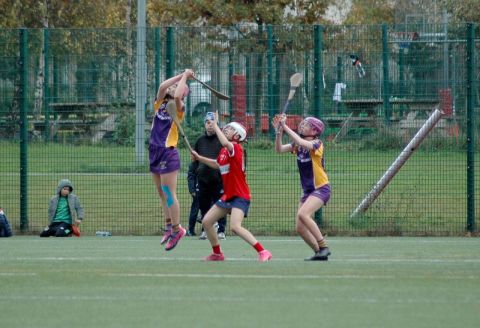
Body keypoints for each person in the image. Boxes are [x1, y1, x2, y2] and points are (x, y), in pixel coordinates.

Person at [191, 113, 272, 262]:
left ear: (237, 135)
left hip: (240, 195)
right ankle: (217, 253)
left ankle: (263, 251)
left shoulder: (235, 147)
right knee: (207, 222)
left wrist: (215, 125)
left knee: (235, 227)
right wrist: (199, 157)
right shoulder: (224, 151)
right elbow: (217, 164)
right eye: (225, 128)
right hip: (228, 195)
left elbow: (226, 144)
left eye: (229, 129)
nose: (225, 130)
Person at [273, 114, 331, 261]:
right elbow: (279, 149)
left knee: (303, 214)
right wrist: (279, 132)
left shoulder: (317, 143)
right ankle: (319, 252)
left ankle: (324, 247)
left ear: (314, 131)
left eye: (306, 125)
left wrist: (285, 126)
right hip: (307, 192)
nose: (302, 126)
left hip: (321, 188)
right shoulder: (298, 145)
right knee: (300, 227)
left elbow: (300, 141)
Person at [150, 69, 194, 251]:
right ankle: (168, 226)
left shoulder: (179, 107)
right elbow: (162, 86)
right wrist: (182, 74)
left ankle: (177, 229)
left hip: (168, 152)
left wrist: (185, 77)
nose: (173, 87)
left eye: (178, 87)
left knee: (169, 192)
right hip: (154, 150)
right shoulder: (160, 102)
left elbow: (177, 97)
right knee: (161, 192)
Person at [192, 112, 227, 240]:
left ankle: (221, 230)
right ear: (204, 124)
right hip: (202, 180)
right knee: (204, 205)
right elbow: (195, 162)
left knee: (221, 205)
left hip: (218, 179)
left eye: (213, 123)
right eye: (208, 123)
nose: (210, 126)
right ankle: (205, 230)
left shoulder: (221, 140)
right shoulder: (200, 141)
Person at [186, 160, 200, 236]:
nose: (191, 156)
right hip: (197, 192)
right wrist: (192, 190)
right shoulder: (193, 165)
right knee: (194, 211)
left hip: (207, 191)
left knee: (208, 210)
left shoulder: (206, 162)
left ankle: (205, 231)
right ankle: (191, 230)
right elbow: (190, 178)